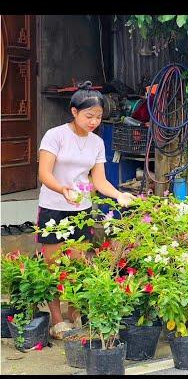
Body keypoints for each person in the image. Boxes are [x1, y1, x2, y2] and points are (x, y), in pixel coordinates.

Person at [37, 81, 135, 339]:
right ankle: (57, 320)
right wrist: (63, 190)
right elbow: (44, 173)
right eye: (89, 116)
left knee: (80, 264)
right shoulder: (55, 135)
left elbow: (100, 181)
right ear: (74, 112)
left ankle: (75, 312)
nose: (94, 122)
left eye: (98, 117)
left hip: (81, 209)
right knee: (53, 265)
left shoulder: (97, 143)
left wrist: (118, 195)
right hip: (53, 207)